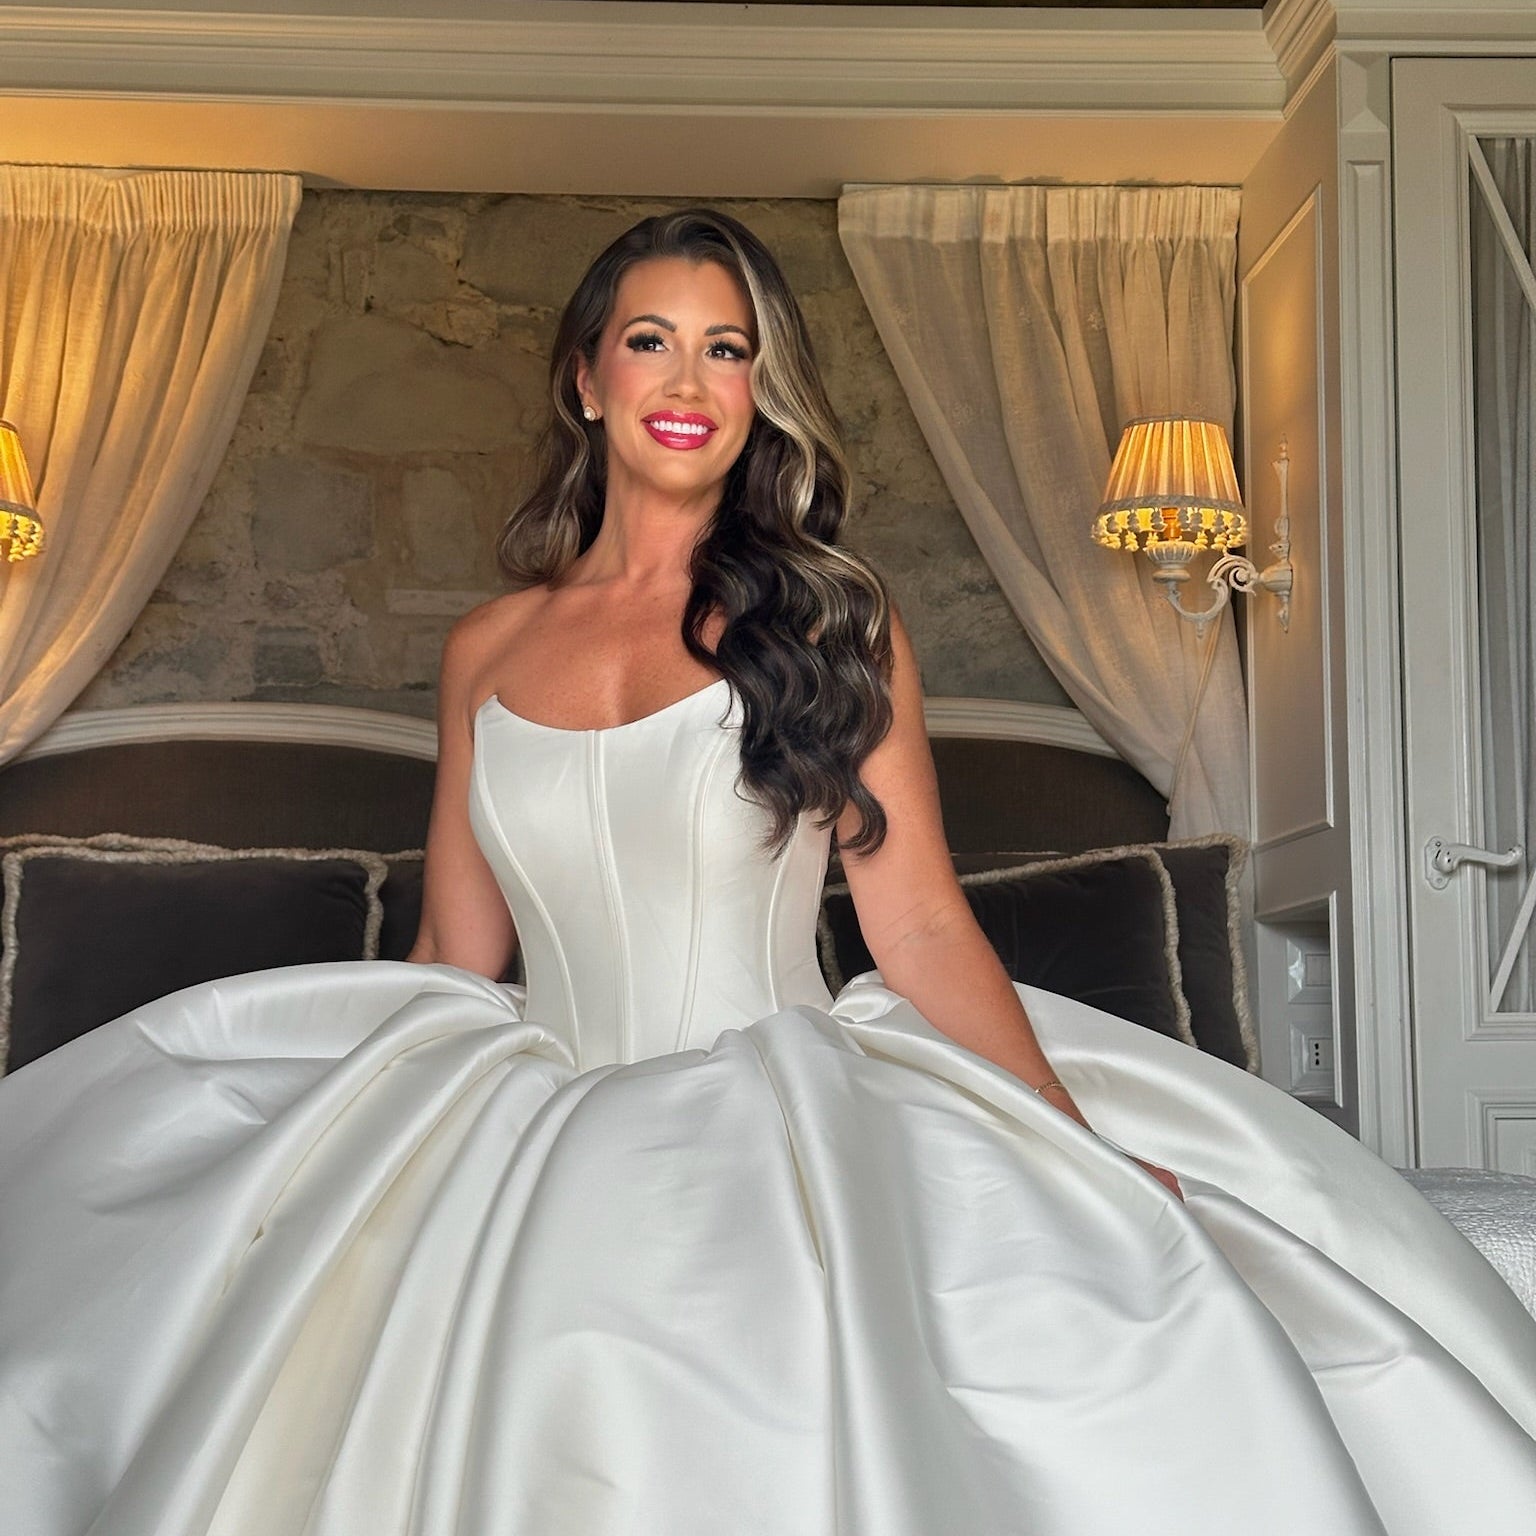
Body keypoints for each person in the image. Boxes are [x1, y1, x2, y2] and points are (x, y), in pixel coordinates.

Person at [0, 209, 1533, 1536]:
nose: (688, 384)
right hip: (525, 1098)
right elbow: (459, 957)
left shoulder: (832, 624)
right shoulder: (486, 648)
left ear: (760, 388)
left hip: (784, 1094)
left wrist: (1077, 1145)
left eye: (726, 350)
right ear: (586, 377)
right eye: (652, 342)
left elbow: (916, 921)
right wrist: (312, 1141)